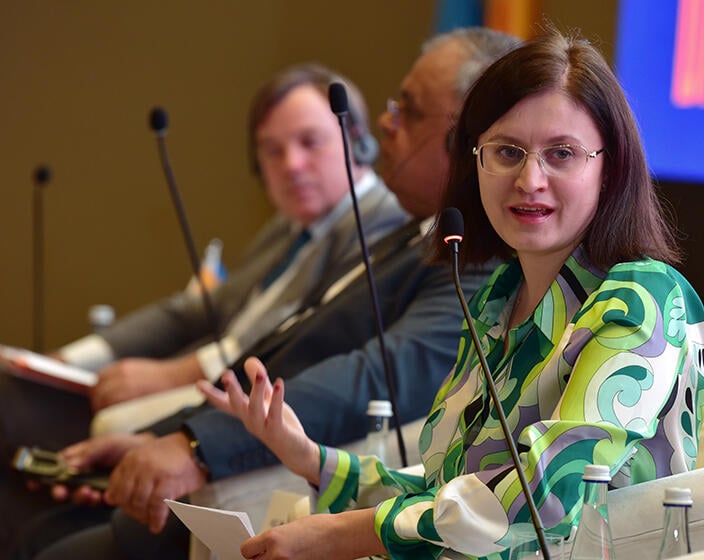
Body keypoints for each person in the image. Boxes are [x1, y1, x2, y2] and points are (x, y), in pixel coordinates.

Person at [200, 27, 704, 560]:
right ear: (475, 162)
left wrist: (342, 536)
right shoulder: (497, 296)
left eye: (561, 153)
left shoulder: (643, 297)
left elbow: (542, 501)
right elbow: (448, 502)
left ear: (610, 168)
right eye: (507, 151)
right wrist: (307, 456)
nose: (529, 178)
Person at [20, 27, 523, 560]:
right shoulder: (415, 233)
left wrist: (196, 446)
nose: (383, 122)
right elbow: (285, 340)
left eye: (410, 110)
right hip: (243, 465)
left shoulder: (475, 259)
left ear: (467, 142)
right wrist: (158, 437)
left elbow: (376, 374)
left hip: (272, 489)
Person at [0, 62, 408, 553]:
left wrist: (169, 374)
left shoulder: (378, 227)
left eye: (309, 142)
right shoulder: (288, 226)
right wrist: (68, 360)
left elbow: (288, 341)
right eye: (272, 151)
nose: (291, 165)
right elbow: (195, 311)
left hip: (239, 416)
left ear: (358, 141)